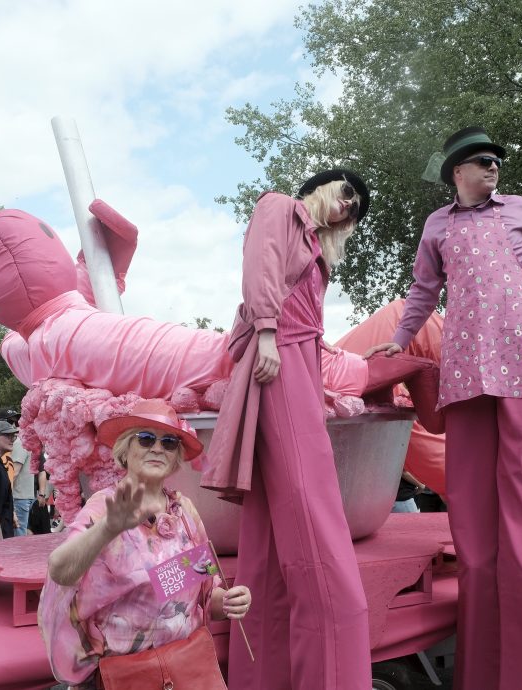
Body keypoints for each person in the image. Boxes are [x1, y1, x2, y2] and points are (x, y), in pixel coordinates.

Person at [367, 126, 522, 689]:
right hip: (466, 377)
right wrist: (404, 336)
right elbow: (421, 290)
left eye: (496, 162)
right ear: (457, 171)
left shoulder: (518, 209)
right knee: (470, 513)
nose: (493, 169)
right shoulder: (437, 225)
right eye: (484, 161)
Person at [203, 169, 373, 689]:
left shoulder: (316, 246)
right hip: (278, 352)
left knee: (274, 524)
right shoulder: (280, 206)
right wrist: (269, 335)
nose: (348, 208)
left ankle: (262, 677)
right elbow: (261, 269)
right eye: (347, 194)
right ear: (323, 186)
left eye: (356, 209)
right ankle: (333, 663)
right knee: (307, 489)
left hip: (300, 359)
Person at [41, 399, 251, 688]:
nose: (157, 448)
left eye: (169, 442)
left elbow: (200, 594)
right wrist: (107, 529)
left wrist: (227, 602)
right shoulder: (105, 505)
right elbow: (60, 571)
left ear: (176, 457)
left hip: (185, 669)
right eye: (146, 438)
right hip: (125, 676)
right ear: (125, 451)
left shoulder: (184, 512)